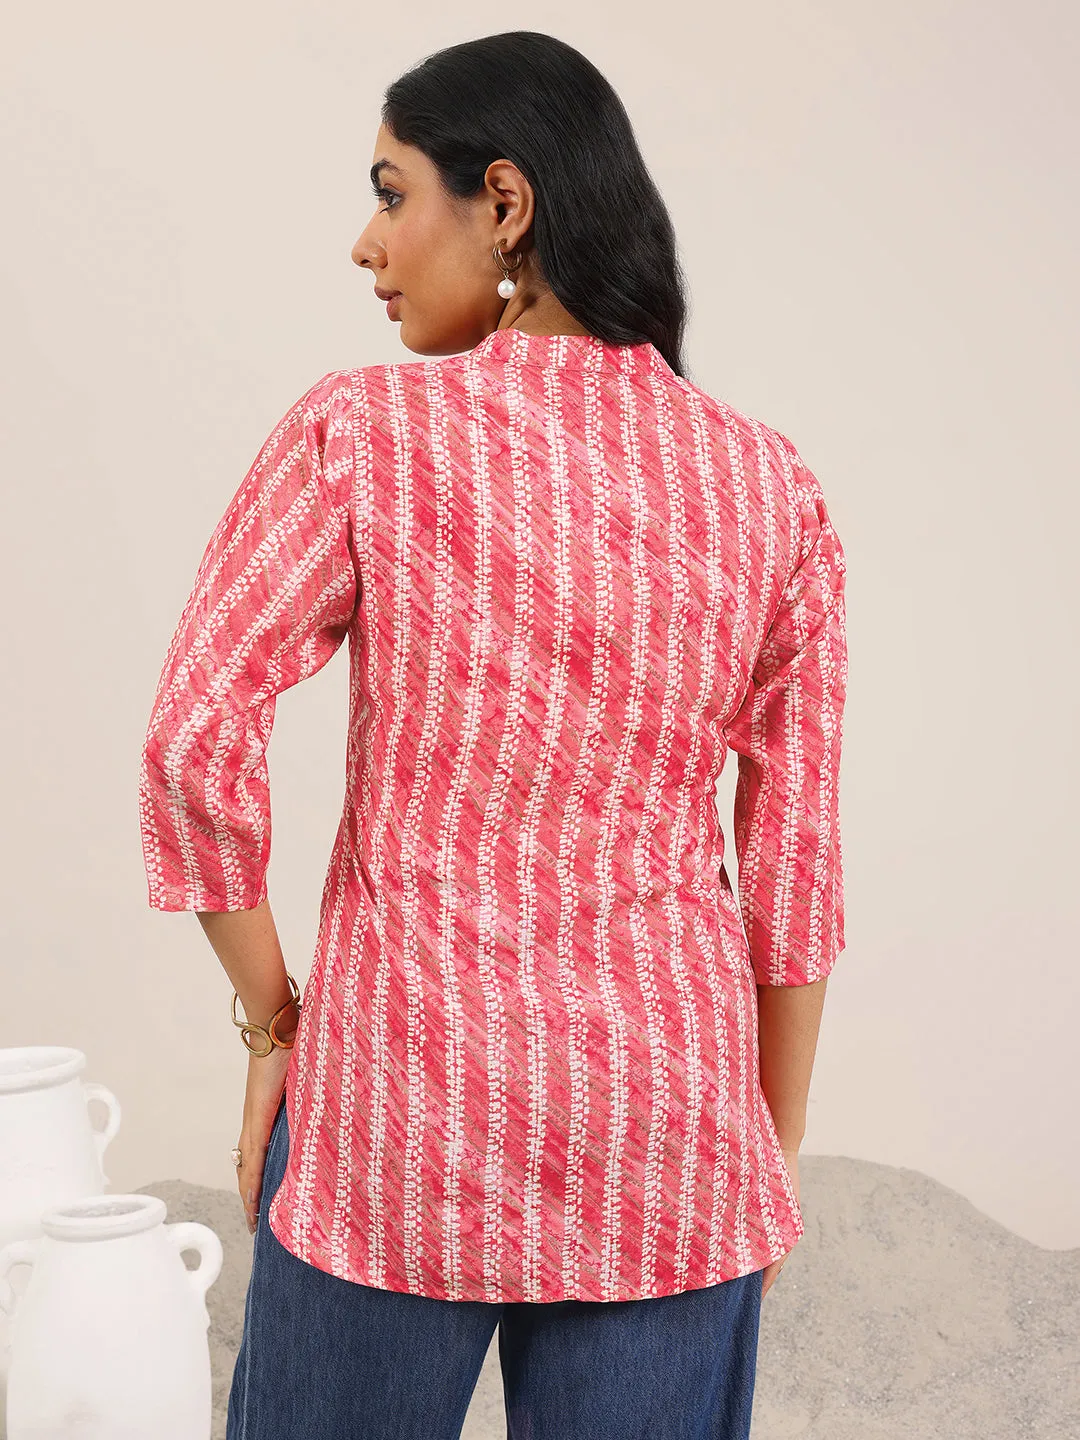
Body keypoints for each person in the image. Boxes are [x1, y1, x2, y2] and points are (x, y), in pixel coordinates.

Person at [138, 29, 848, 1440]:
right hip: (670, 1136)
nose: (365, 242)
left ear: (505, 203)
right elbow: (795, 867)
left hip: (395, 1123)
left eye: (391, 193)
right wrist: (761, 1155)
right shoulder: (771, 487)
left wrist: (276, 1026)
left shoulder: (364, 434)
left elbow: (189, 739)